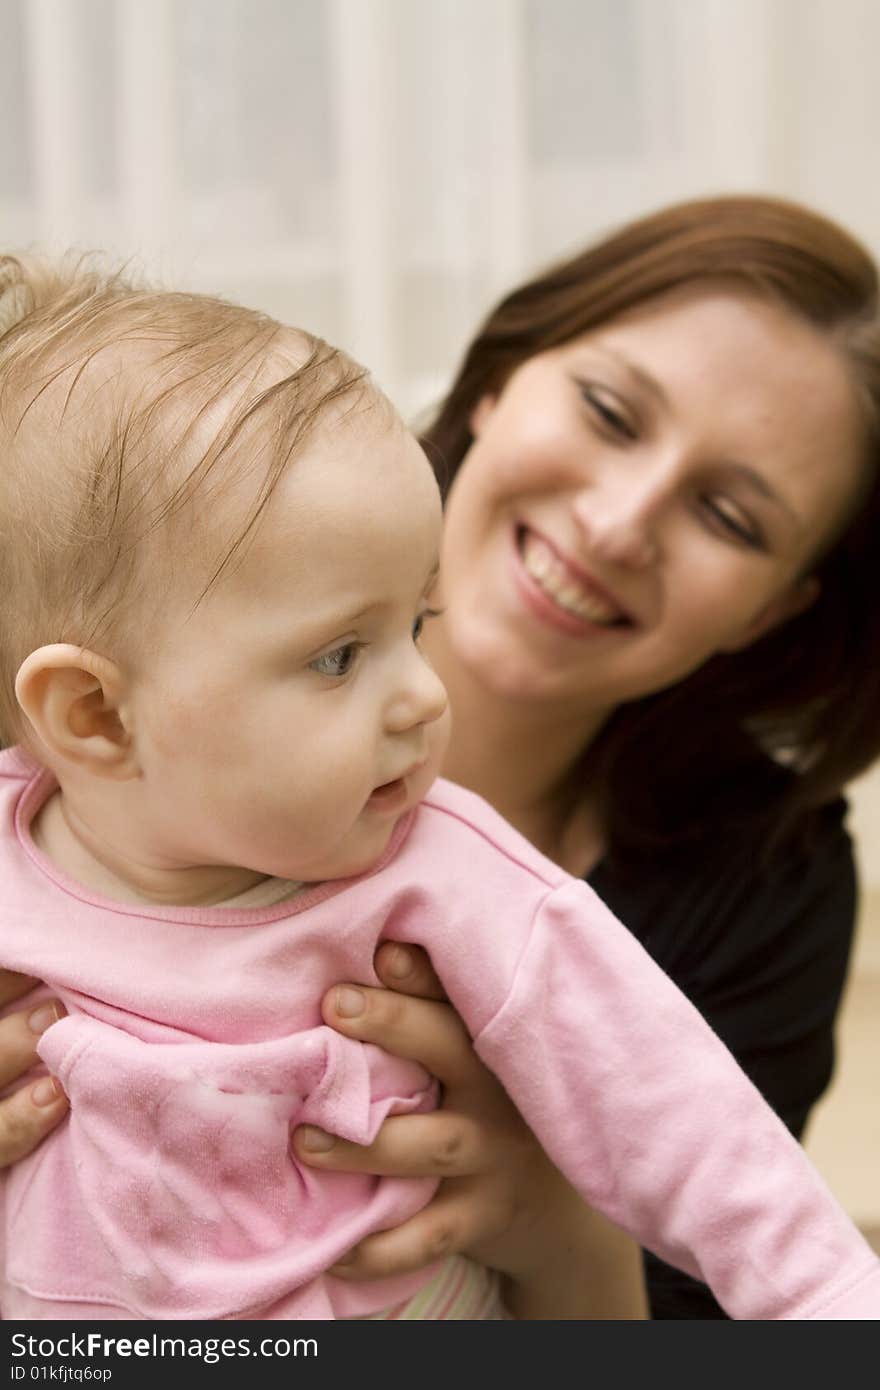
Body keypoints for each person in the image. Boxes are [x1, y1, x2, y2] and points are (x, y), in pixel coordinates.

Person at [3, 193, 880, 1320]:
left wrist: (564, 1224)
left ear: (774, 609)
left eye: (729, 514)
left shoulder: (512, 881)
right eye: (612, 412)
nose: (618, 521)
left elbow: (724, 1180)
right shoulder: (65, 728)